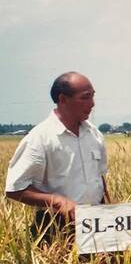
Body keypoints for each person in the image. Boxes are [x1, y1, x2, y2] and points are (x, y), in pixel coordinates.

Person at [5, 72, 108, 240]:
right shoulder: (40, 138)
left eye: (92, 96)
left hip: (95, 223)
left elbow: (101, 179)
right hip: (55, 226)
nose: (92, 104)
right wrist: (57, 201)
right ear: (63, 99)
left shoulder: (94, 134)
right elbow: (15, 188)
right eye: (85, 98)